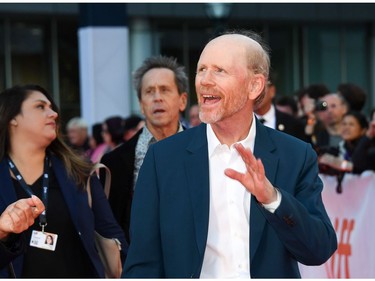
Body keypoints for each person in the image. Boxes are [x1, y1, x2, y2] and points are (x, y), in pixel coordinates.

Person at [123, 30, 337, 278]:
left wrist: (273, 199)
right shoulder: (163, 159)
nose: (204, 80)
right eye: (201, 69)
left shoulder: (296, 155)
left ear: (254, 85)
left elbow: (319, 250)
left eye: (219, 71)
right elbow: (142, 264)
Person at [0, 84, 126, 278]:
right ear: (13, 118)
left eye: (51, 107)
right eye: (40, 107)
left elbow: (110, 232)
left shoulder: (79, 171)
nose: (53, 114)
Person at [100, 55, 188, 245]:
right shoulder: (113, 163)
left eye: (165, 90)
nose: (157, 98)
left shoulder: (207, 153)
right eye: (149, 91)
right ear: (141, 104)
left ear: (182, 100)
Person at [254, 78, 310, 143]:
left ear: (272, 91)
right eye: (252, 88)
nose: (255, 94)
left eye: (259, 88)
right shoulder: (241, 124)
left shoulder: (293, 125)